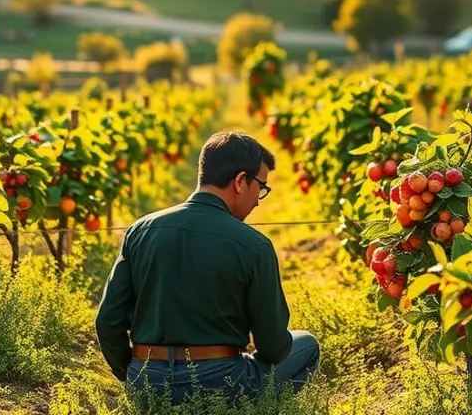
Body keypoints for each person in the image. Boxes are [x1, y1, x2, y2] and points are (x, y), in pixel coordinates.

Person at [95, 131, 320, 408]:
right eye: (260, 187)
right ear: (240, 181)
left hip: (147, 382)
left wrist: (133, 375)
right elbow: (273, 347)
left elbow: (107, 322)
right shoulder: (255, 246)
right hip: (220, 382)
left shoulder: (140, 231)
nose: (259, 199)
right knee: (307, 345)